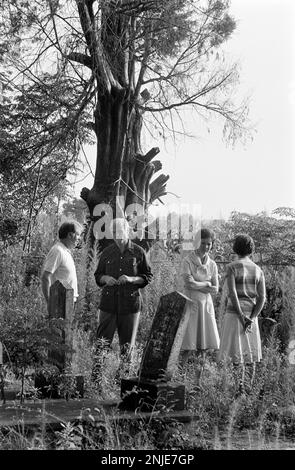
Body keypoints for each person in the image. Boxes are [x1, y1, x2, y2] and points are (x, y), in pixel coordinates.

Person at [93, 218, 152, 373]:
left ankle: (124, 381)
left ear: (127, 231)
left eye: (119, 231)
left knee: (127, 346)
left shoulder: (138, 252)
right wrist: (106, 279)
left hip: (130, 304)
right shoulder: (107, 252)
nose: (116, 235)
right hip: (108, 304)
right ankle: (96, 380)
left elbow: (147, 276)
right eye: (113, 232)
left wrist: (131, 278)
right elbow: (98, 275)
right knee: (102, 343)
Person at [218, 233, 266, 396]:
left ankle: (237, 392)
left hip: (234, 315)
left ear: (235, 248)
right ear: (251, 250)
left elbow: (232, 294)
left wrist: (241, 317)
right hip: (251, 315)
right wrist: (251, 318)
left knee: (236, 356)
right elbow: (262, 297)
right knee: (249, 355)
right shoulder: (258, 269)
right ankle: (247, 392)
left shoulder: (232, 267)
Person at [180, 228, 220, 384]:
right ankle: (179, 380)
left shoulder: (213, 264)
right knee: (187, 346)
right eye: (203, 243)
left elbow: (216, 289)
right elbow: (188, 283)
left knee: (203, 347)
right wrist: (207, 283)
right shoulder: (187, 260)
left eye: (209, 244)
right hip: (191, 305)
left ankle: (197, 382)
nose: (206, 247)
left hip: (206, 307)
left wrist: (200, 285)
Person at [41, 221, 81, 306]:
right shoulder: (57, 251)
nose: (79, 238)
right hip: (60, 302)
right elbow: (45, 277)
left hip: (68, 301)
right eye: (77, 234)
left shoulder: (66, 251)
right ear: (70, 235)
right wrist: (50, 303)